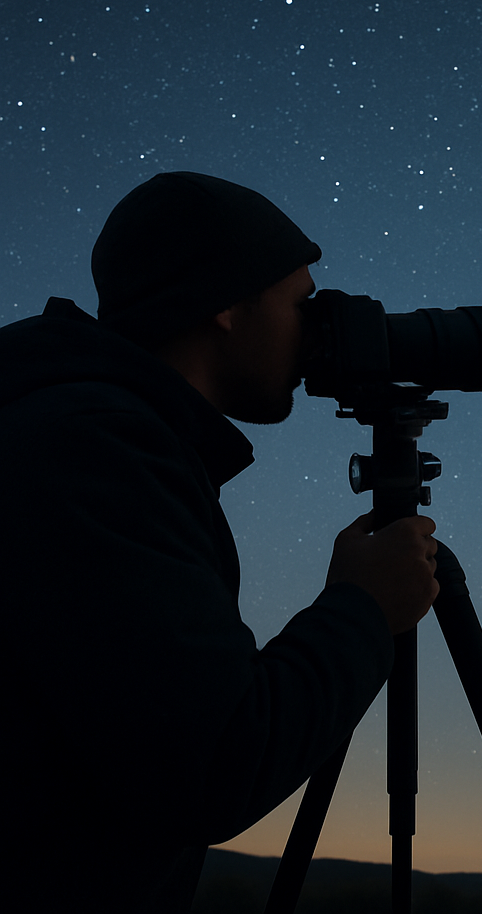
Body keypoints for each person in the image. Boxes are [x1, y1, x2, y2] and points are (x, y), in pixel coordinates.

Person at [0, 172, 439, 912]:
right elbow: (211, 764)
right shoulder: (93, 450)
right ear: (228, 306)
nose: (316, 331)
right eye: (301, 303)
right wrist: (362, 610)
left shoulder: (81, 429)